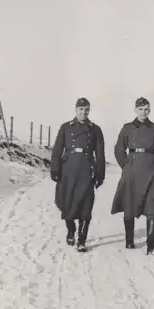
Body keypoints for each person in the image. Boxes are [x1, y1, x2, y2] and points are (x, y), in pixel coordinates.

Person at [111, 97, 154, 255]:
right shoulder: (127, 128)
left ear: (150, 111)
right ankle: (129, 240)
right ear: (135, 110)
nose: (144, 112)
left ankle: (151, 245)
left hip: (151, 173)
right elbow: (118, 150)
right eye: (141, 109)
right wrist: (125, 165)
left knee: (152, 207)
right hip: (132, 172)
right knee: (129, 204)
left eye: (147, 109)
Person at [50, 98, 105, 252]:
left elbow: (100, 154)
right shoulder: (66, 128)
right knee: (66, 203)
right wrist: (55, 169)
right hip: (68, 170)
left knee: (86, 205)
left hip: (87, 170)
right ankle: (71, 229)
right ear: (75, 110)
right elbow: (57, 150)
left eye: (86, 109)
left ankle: (81, 240)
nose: (83, 112)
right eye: (81, 109)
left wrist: (100, 174)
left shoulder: (95, 130)